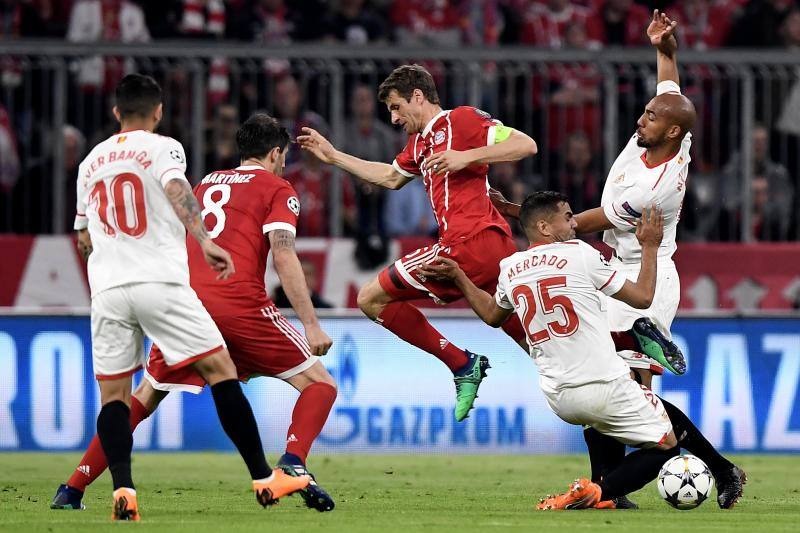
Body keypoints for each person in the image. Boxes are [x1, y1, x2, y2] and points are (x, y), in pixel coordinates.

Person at [495, 11, 744, 509]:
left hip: (647, 272)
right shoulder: (671, 132)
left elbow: (579, 224)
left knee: (628, 389)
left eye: (649, 117)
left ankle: (718, 468)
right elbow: (670, 90)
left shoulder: (655, 188)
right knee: (602, 380)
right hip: (615, 265)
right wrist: (665, 50)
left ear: (671, 133)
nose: (640, 120)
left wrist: (529, 218)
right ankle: (612, 488)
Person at [52, 112, 337, 512]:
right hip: (241, 304)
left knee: (142, 397)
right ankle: (292, 462)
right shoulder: (278, 187)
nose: (284, 162)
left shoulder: (205, 183)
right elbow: (284, 252)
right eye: (283, 156)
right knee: (319, 383)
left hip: (188, 304)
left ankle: (72, 488)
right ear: (275, 153)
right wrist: (311, 324)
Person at [420, 191, 745, 510]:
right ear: (546, 228)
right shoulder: (579, 253)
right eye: (566, 216)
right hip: (604, 386)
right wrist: (649, 246)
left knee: (607, 410)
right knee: (667, 445)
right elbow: (644, 297)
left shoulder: (510, 267)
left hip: (559, 398)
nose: (573, 223)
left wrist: (460, 279)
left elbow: (493, 316)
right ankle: (598, 491)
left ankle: (608, 486)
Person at [297, 64, 538, 422]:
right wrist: (333, 156)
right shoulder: (419, 143)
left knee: (370, 298)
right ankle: (623, 348)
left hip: (466, 246)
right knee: (542, 348)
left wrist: (466, 156)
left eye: (396, 107)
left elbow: (526, 144)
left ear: (419, 96)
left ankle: (462, 363)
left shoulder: (463, 120)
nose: (394, 118)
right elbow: (390, 176)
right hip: (493, 251)